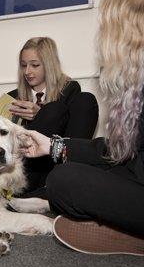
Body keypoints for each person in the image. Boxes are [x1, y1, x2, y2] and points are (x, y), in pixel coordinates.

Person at [19, 0, 144, 257]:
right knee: (72, 177)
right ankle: (126, 227)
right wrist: (55, 146)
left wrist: (110, 176)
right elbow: (129, 150)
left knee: (67, 181)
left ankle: (131, 229)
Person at [8, 37, 98, 195]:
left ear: (48, 64)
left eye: (35, 65)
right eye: (23, 65)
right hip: (28, 168)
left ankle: (66, 181)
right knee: (52, 110)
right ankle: (42, 189)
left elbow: (72, 130)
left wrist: (40, 114)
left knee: (83, 100)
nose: (27, 71)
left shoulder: (69, 90)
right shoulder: (13, 98)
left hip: (58, 164)